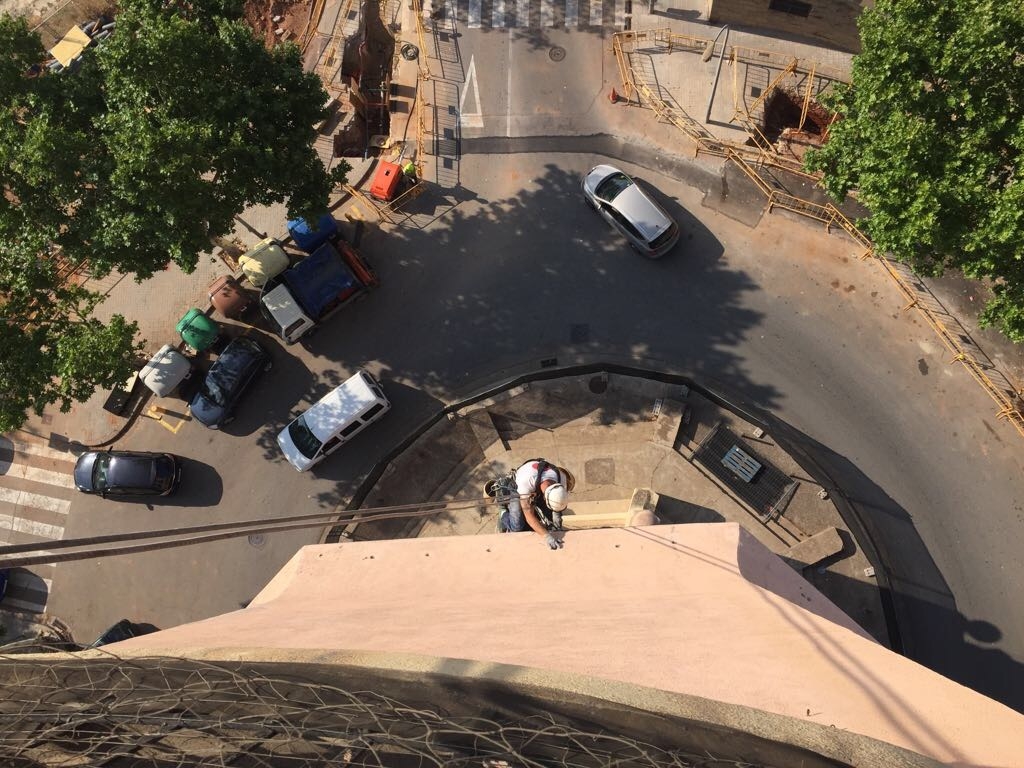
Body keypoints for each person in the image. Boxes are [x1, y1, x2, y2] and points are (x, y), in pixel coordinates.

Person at [494, 459, 575, 549]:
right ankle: (503, 512)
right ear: (545, 498)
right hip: (517, 488)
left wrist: (557, 530)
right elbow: (529, 515)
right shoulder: (525, 482)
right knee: (517, 526)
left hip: (536, 487)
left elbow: (557, 511)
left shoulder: (562, 479)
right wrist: (547, 537)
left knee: (549, 519)